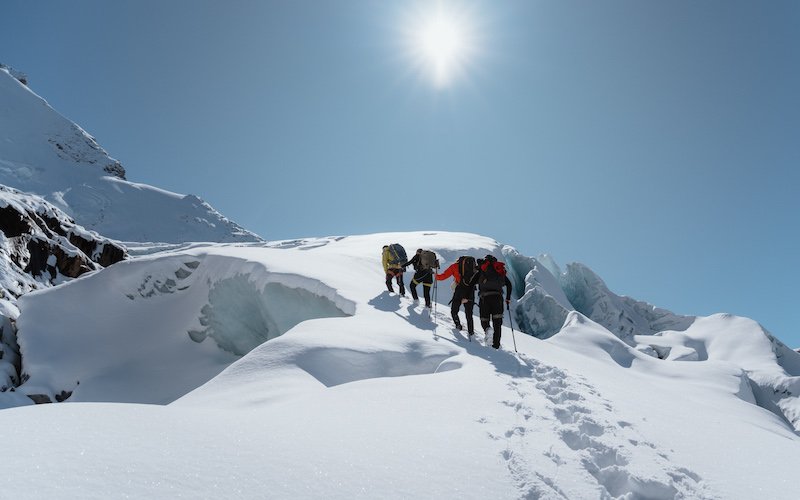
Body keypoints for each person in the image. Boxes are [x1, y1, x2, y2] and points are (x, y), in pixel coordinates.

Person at [476, 255, 512, 349]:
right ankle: (496, 345)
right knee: (497, 322)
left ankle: (487, 329)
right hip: (497, 298)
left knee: (484, 320)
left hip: (485, 298)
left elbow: (472, 282)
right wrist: (508, 298)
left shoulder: (482, 269)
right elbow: (509, 285)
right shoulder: (499, 271)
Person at [436, 256, 478, 336]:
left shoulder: (454, 266)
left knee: (454, 310)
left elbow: (443, 276)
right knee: (469, 313)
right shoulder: (473, 268)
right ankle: (471, 332)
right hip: (471, 290)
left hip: (460, 290)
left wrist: (436, 276)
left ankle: (458, 325)